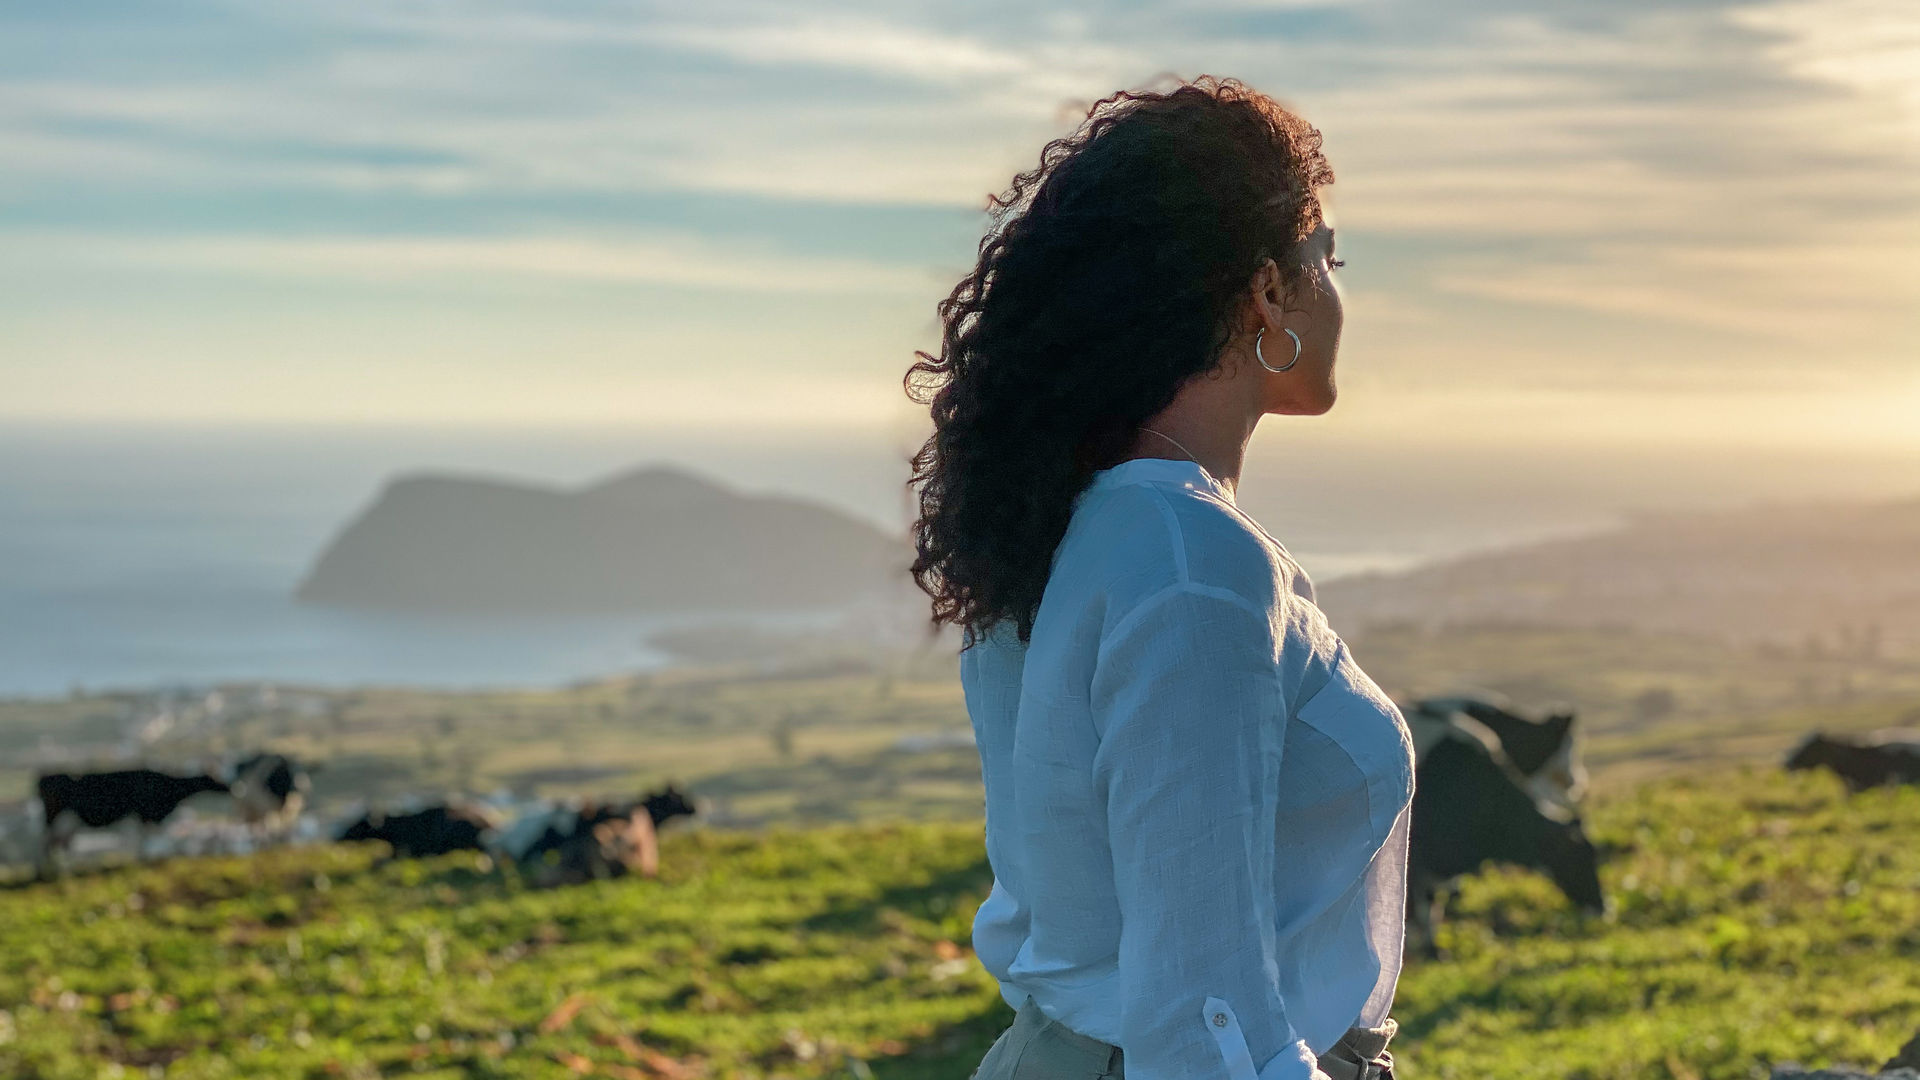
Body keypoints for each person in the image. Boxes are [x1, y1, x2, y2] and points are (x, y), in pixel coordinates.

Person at [904, 77, 1415, 1080]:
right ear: (1269, 292)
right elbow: (1204, 1023)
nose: (1339, 291)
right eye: (1329, 259)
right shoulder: (1191, 561)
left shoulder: (1065, 523)